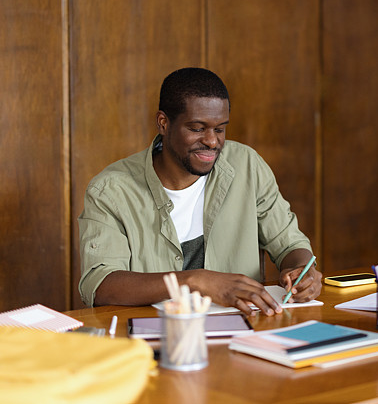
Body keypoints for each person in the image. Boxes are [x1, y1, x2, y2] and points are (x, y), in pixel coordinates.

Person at [78, 67, 321, 315]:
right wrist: (195, 281)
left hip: (245, 328)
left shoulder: (247, 165)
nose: (212, 141)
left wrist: (303, 272)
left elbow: (289, 244)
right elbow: (100, 284)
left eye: (220, 129)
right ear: (163, 123)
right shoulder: (110, 190)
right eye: (197, 129)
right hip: (157, 332)